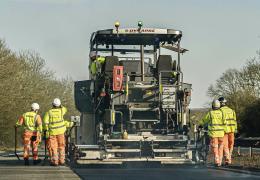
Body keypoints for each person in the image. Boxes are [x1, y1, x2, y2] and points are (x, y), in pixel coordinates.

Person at [43, 98, 73, 166]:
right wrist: (60, 105)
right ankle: (62, 161)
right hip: (61, 132)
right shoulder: (61, 111)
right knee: (61, 146)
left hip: (52, 132)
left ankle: (54, 161)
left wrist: (46, 130)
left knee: (53, 147)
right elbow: (65, 109)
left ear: (52, 104)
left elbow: (45, 123)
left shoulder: (49, 112)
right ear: (59, 105)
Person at [199, 99, 226, 167]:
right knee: (220, 148)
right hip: (221, 134)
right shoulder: (222, 113)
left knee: (215, 148)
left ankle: (217, 161)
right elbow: (225, 123)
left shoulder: (210, 113)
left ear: (212, 106)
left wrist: (200, 125)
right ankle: (220, 162)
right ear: (219, 106)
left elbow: (204, 121)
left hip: (213, 134)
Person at [218, 96, 237, 165]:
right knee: (231, 145)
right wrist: (235, 129)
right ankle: (228, 159)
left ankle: (227, 159)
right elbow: (235, 121)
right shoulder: (232, 110)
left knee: (225, 146)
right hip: (232, 131)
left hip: (224, 131)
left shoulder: (220, 111)